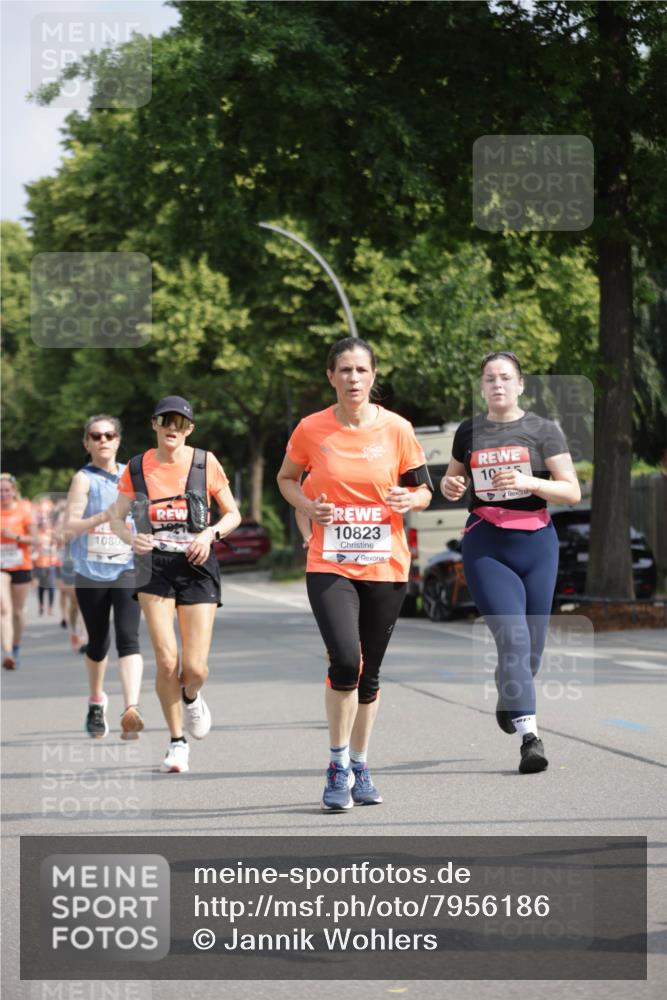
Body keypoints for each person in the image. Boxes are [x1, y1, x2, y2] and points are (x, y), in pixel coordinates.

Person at [277, 337, 433, 810]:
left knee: (371, 673)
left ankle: (361, 764)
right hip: (329, 562)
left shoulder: (398, 429)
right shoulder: (311, 429)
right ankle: (337, 763)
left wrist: (412, 500)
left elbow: (423, 490)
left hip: (386, 564)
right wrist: (307, 505)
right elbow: (286, 479)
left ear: (373, 375)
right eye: (344, 370)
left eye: (361, 370)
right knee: (346, 660)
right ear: (331, 376)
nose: (353, 379)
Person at [441, 351, 581, 774]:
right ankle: (530, 738)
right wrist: (450, 484)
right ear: (482, 386)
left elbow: (571, 491)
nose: (497, 384)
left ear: (521, 384)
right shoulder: (469, 431)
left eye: (505, 378)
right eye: (489, 378)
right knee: (514, 640)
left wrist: (527, 482)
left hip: (538, 543)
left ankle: (511, 697)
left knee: (532, 651)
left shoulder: (543, 430)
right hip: (487, 543)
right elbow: (454, 479)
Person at [110, 395, 241, 774]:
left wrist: (210, 534)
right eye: (166, 420)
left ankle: (191, 695)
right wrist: (129, 538)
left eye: (181, 423)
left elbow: (233, 513)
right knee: (167, 658)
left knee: (195, 667)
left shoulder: (205, 462)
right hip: (154, 566)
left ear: (190, 429)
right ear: (154, 424)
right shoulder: (136, 467)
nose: (173, 427)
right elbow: (117, 518)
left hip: (198, 563)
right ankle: (176, 742)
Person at [65, 415, 145, 739]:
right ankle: (97, 701)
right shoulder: (83, 480)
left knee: (129, 638)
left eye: (109, 435)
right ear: (87, 443)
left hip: (127, 566)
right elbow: (68, 528)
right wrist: (102, 516)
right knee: (98, 642)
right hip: (91, 571)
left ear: (117, 439)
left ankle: (131, 710)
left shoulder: (132, 474)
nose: (102, 440)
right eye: (95, 436)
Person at [1, 474, 35, 669]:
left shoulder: (24, 510)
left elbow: (35, 539)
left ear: (13, 491)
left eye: (6, 490)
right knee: (4, 608)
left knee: (18, 612)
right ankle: (7, 653)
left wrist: (15, 536)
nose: (3, 494)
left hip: (21, 565)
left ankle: (15, 646)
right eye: (0, 491)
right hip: (1, 567)